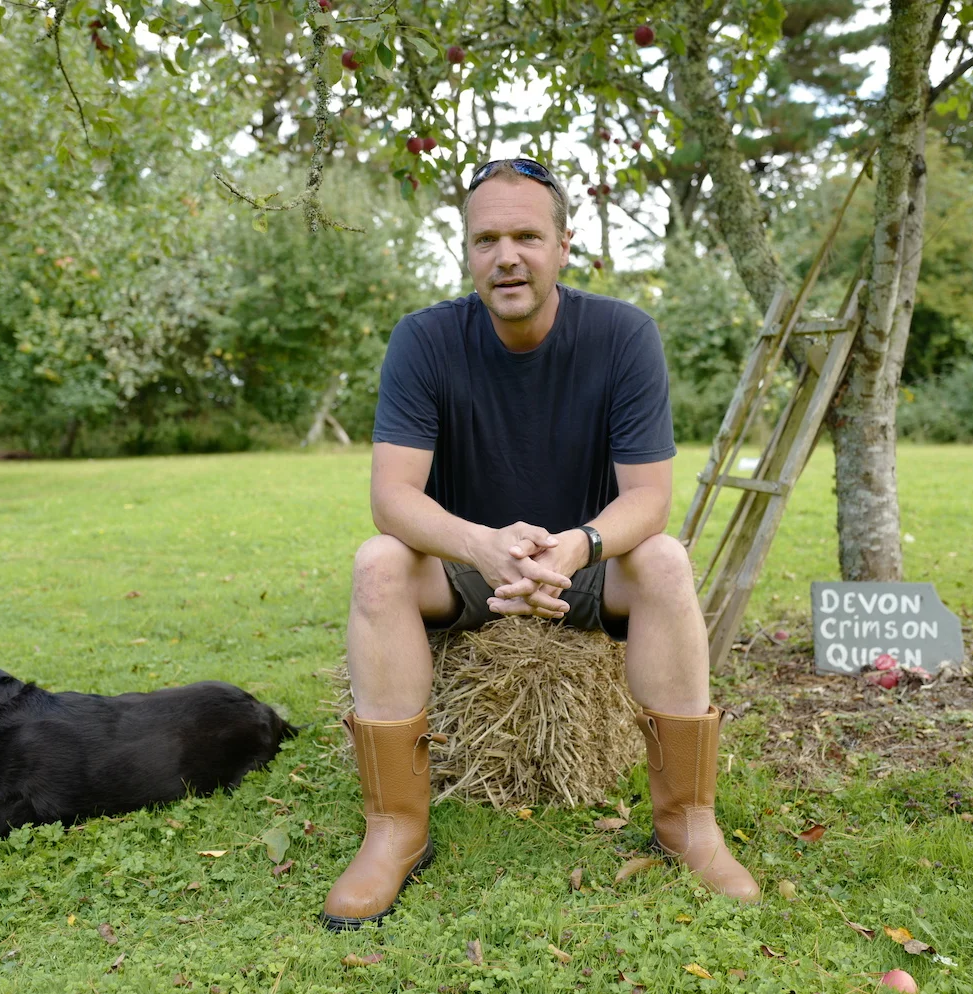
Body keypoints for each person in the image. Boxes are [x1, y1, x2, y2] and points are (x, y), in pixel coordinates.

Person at [319, 158, 761, 931]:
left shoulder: (623, 335)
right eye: (486, 240)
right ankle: (395, 831)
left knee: (664, 559)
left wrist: (577, 547)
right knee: (378, 563)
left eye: (526, 236)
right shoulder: (423, 339)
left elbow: (649, 499)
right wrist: (481, 545)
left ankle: (687, 822)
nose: (507, 257)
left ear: (564, 246)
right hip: (466, 565)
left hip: (583, 566)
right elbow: (392, 497)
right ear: (467, 251)